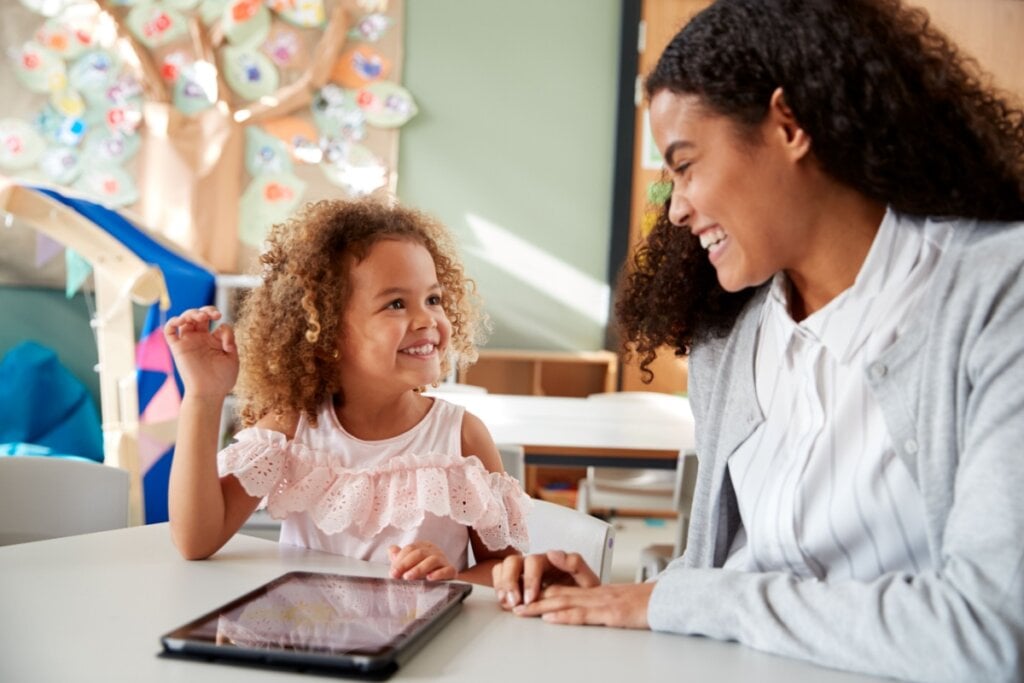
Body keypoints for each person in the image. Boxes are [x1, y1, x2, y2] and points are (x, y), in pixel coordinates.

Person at [493, 0, 1024, 680]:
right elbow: (719, 582)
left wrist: (687, 598)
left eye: (684, 165)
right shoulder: (731, 342)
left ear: (788, 123)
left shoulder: (995, 295)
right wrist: (612, 595)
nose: (676, 206)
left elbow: (987, 634)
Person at [165, 198, 529, 585]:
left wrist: (451, 577)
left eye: (433, 299)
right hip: (310, 638)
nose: (426, 319)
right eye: (396, 304)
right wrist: (204, 395)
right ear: (326, 333)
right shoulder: (294, 430)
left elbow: (506, 569)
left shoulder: (461, 438)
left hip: (420, 640)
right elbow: (195, 540)